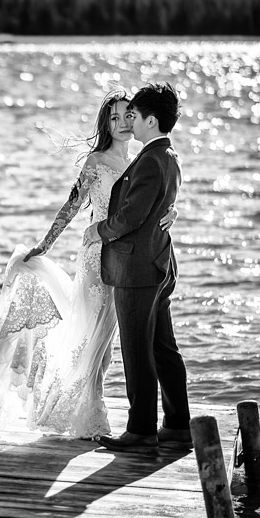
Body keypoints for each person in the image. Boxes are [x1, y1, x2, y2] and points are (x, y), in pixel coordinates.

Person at [0, 88, 176, 470]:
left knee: (112, 341)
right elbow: (73, 204)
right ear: (105, 125)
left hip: (132, 261)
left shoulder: (144, 157)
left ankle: (96, 412)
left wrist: (170, 212)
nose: (123, 122)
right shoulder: (97, 161)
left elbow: (155, 197)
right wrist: (46, 242)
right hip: (98, 256)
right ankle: (89, 413)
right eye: (115, 117)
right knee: (92, 337)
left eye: (129, 115)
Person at [84, 82, 192, 453]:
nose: (131, 121)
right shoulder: (168, 156)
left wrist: (99, 229)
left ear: (151, 120)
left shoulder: (149, 160)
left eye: (135, 115)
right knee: (163, 346)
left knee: (137, 349)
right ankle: (177, 425)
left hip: (137, 270)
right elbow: (156, 206)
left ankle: (141, 429)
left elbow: (130, 216)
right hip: (159, 264)